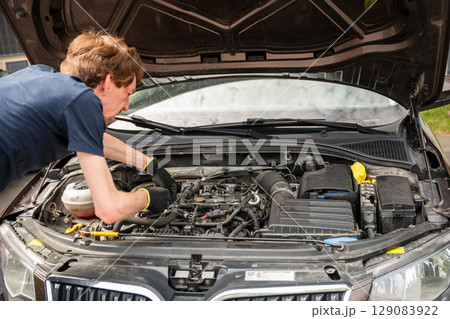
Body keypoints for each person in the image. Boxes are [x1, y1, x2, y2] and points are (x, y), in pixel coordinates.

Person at [0, 31, 173, 224]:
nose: (126, 106)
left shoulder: (42, 76)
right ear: (108, 82)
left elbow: (93, 139)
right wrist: (148, 198)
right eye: (127, 93)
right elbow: (109, 209)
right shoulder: (83, 101)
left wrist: (150, 165)